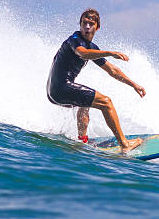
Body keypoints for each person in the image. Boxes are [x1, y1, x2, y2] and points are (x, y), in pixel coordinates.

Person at [47, 8, 146, 153]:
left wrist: (134, 85)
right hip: (61, 88)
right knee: (106, 102)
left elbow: (112, 70)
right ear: (80, 24)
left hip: (54, 92)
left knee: (86, 101)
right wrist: (110, 53)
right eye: (84, 23)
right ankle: (125, 144)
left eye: (91, 24)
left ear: (97, 27)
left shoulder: (92, 48)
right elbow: (83, 53)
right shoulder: (75, 40)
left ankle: (82, 140)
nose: (87, 27)